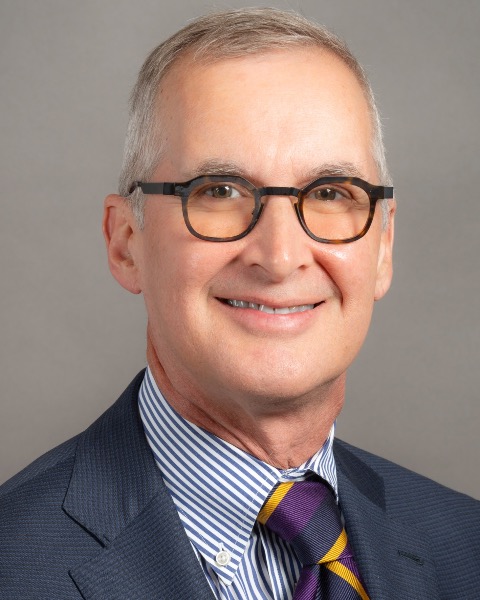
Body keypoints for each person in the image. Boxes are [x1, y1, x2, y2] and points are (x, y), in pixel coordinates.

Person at [1, 7, 479, 600]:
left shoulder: (466, 545)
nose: (280, 257)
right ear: (126, 243)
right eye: (220, 190)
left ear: (382, 247)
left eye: (331, 193)